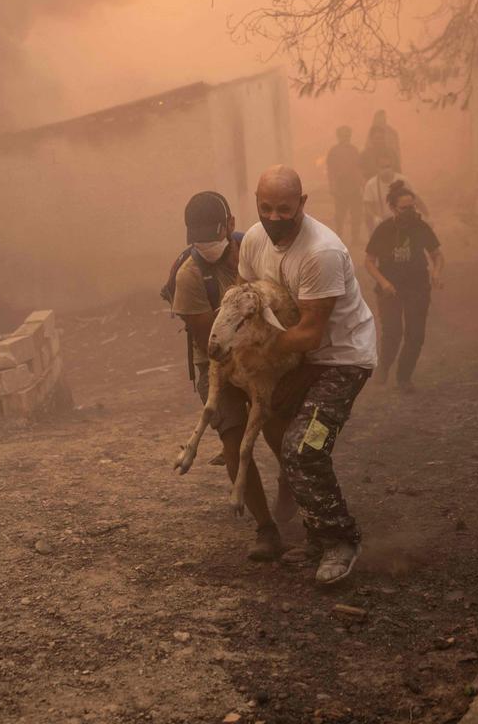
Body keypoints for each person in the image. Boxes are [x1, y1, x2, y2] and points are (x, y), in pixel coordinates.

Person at [240, 165, 377, 585]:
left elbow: (308, 334)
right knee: (282, 436)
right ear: (257, 204)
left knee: (304, 447)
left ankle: (342, 540)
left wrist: (253, 348)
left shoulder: (322, 252)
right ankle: (318, 537)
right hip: (298, 359)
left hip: (341, 360)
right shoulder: (252, 240)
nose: (275, 217)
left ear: (302, 203)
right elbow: (247, 302)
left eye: (285, 209)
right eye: (267, 208)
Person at [170, 191, 285, 561]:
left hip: (266, 355)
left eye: (213, 237)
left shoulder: (253, 249)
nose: (206, 246)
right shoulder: (188, 277)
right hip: (219, 364)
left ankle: (290, 493)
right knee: (236, 442)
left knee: (282, 432)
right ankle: (265, 529)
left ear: (231, 225)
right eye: (198, 241)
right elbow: (212, 342)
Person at [364, 182, 444, 391]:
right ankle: (384, 366)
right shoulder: (384, 229)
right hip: (390, 289)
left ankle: (404, 377)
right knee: (392, 332)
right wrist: (384, 282)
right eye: (404, 208)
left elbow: (437, 254)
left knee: (415, 334)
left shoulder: (421, 227)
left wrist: (436, 272)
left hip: (417, 287)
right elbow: (369, 261)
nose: (410, 212)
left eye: (412, 207)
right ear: (393, 208)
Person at [325, 125, 365, 247]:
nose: (345, 137)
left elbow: (358, 168)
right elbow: (330, 170)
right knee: (340, 215)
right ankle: (338, 236)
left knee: (356, 214)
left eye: (347, 134)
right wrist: (332, 186)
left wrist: (361, 183)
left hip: (354, 186)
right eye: (343, 134)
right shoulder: (333, 151)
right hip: (340, 187)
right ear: (338, 136)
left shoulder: (354, 150)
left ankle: (355, 238)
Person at [362, 155, 427, 230]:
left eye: (388, 166)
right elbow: (367, 206)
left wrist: (427, 216)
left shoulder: (403, 180)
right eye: (382, 167)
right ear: (377, 168)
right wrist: (375, 217)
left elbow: (417, 199)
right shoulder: (370, 185)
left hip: (404, 222)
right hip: (383, 223)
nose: (386, 169)